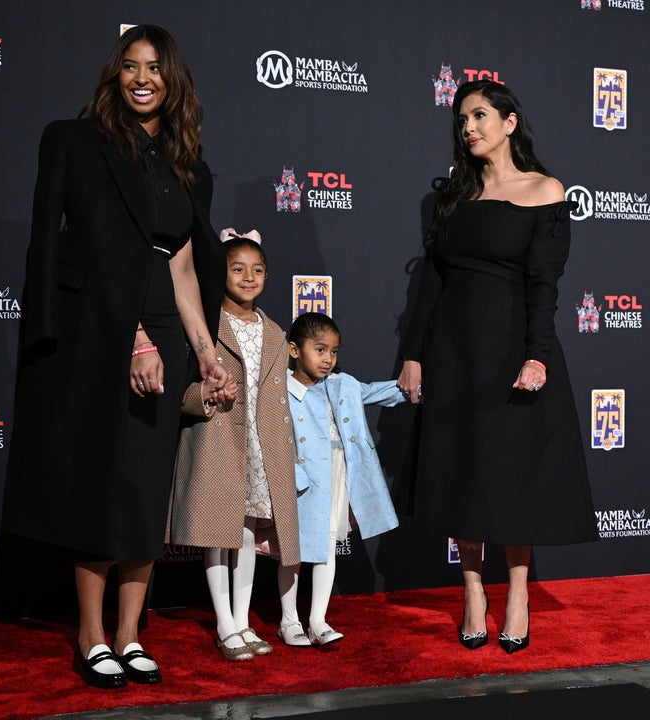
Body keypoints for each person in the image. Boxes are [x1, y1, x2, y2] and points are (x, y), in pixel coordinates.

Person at [2, 25, 228, 687]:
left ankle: (130, 634)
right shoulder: (75, 142)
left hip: (163, 324)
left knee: (144, 489)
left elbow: (182, 269)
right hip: (97, 331)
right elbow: (68, 252)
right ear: (115, 75)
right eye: (130, 66)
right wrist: (132, 339)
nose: (141, 79)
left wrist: (204, 350)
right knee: (100, 483)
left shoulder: (189, 167)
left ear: (173, 80)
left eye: (154, 68)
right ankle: (91, 633)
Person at [397, 80, 597, 654]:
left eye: (480, 115)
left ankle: (517, 595)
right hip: (452, 353)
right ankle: (471, 593)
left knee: (511, 476)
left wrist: (537, 355)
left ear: (510, 122)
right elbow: (432, 284)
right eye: (462, 119)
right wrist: (413, 355)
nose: (468, 128)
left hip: (511, 351)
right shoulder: (452, 198)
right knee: (463, 472)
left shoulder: (544, 190)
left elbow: (544, 286)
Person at [167, 230, 303, 660]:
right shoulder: (204, 326)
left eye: (257, 270)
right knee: (217, 534)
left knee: (246, 534)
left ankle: (242, 622)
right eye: (237, 268)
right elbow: (180, 392)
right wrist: (206, 395)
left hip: (261, 450)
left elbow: (278, 400)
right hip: (218, 442)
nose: (248, 277)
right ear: (219, 273)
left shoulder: (276, 332)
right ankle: (224, 625)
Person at [278, 312, 403, 645]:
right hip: (300, 477)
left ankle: (317, 621)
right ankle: (289, 621)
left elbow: (376, 392)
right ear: (294, 350)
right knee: (293, 551)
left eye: (333, 351)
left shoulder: (342, 384)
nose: (328, 359)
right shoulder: (281, 390)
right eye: (320, 350)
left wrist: (413, 389)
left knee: (327, 547)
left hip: (335, 474)